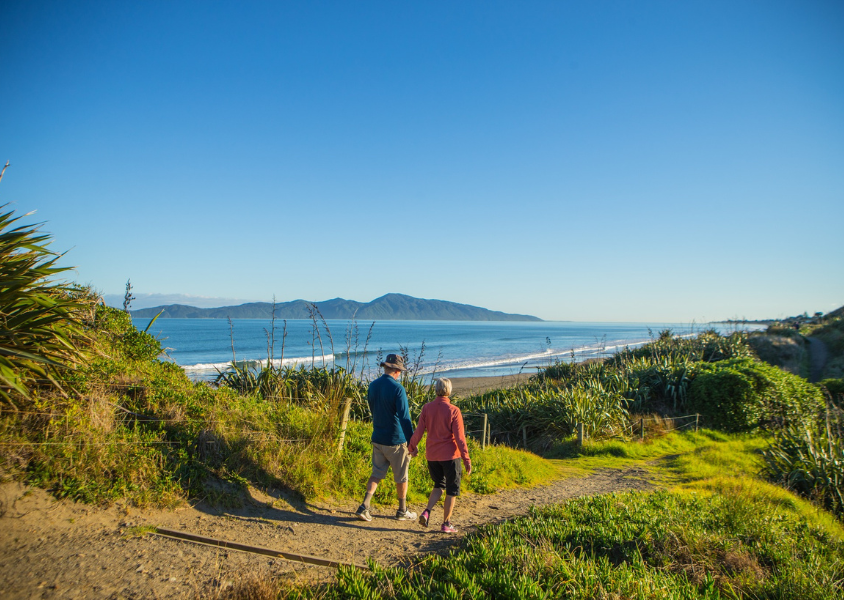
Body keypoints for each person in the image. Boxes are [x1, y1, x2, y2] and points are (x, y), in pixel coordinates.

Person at [355, 353, 417, 522]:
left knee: (377, 473)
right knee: (402, 476)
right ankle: (402, 510)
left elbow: (372, 408)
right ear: (396, 370)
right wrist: (412, 442)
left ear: (385, 367)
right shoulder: (398, 389)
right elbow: (405, 418)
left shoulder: (373, 385)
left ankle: (364, 506)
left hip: (378, 436)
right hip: (396, 439)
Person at [408, 377, 471, 533]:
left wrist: (412, 446)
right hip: (450, 456)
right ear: (448, 391)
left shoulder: (427, 408)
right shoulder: (454, 410)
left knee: (438, 485)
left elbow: (419, 431)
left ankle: (427, 511)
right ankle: (446, 523)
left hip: (432, 456)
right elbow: (460, 438)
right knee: (452, 489)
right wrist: (466, 458)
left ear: (435, 390)